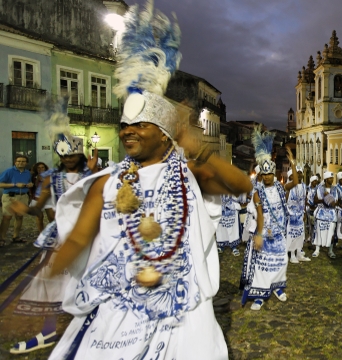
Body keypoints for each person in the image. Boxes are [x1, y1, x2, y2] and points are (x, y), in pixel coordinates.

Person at [45, 4, 251, 358]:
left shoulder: (190, 175)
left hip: (182, 312)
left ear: (164, 134)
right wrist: (44, 288)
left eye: (140, 126)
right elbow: (79, 237)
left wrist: (200, 152)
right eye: (124, 126)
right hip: (118, 313)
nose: (128, 132)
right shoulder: (105, 183)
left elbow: (242, 186)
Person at [8, 122, 97, 354]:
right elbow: (38, 208)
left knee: (90, 281)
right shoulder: (49, 178)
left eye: (72, 154)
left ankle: (93, 331)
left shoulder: (95, 176)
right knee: (50, 282)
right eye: (63, 154)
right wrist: (24, 209)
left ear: (79, 153)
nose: (68, 159)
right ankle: (48, 331)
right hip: (60, 236)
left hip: (90, 235)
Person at [240, 128, 297, 310]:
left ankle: (277, 287)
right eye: (264, 175)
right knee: (263, 264)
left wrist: (293, 163)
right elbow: (261, 216)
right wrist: (258, 234)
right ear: (261, 176)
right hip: (265, 233)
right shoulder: (258, 193)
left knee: (281, 261)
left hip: (280, 233)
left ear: (274, 174)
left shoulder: (280, 189)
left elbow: (295, 182)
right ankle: (260, 294)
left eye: (270, 174)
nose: (267, 177)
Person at [0, 154, 33, 246]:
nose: (20, 163)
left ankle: (16, 237)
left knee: (19, 217)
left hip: (23, 196)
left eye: (23, 161)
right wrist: (15, 185)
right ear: (15, 162)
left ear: (26, 163)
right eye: (18, 161)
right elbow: (0, 184)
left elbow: (28, 182)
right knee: (7, 217)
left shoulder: (27, 173)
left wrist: (30, 184)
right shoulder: (9, 171)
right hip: (10, 197)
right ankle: (2, 238)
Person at [286, 166, 310, 263]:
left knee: (301, 235)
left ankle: (299, 254)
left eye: (300, 173)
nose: (299, 175)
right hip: (291, 215)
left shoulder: (304, 186)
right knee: (292, 235)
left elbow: (304, 200)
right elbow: (285, 202)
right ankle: (292, 255)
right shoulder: (289, 187)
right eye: (297, 173)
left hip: (300, 214)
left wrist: (304, 212)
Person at [313, 171, 338, 258]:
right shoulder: (319, 188)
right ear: (326, 179)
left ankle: (330, 251)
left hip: (331, 213)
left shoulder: (335, 189)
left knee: (331, 233)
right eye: (330, 178)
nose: (332, 180)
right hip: (321, 213)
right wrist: (323, 200)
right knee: (319, 232)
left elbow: (336, 202)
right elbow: (315, 200)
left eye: (332, 178)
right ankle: (317, 249)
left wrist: (329, 198)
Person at [30, 162, 55, 233]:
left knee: (51, 217)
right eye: (38, 167)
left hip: (48, 198)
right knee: (39, 217)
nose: (41, 169)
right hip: (37, 198)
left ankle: (52, 232)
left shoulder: (49, 175)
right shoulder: (33, 176)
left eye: (42, 167)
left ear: (45, 168)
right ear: (36, 169)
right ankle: (41, 232)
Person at [306, 175, 319, 246]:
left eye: (316, 181)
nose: (315, 182)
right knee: (309, 224)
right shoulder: (307, 188)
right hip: (309, 208)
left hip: (316, 208)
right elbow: (305, 197)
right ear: (311, 182)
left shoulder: (318, 189)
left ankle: (315, 238)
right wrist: (308, 204)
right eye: (314, 181)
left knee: (315, 224)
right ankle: (310, 236)